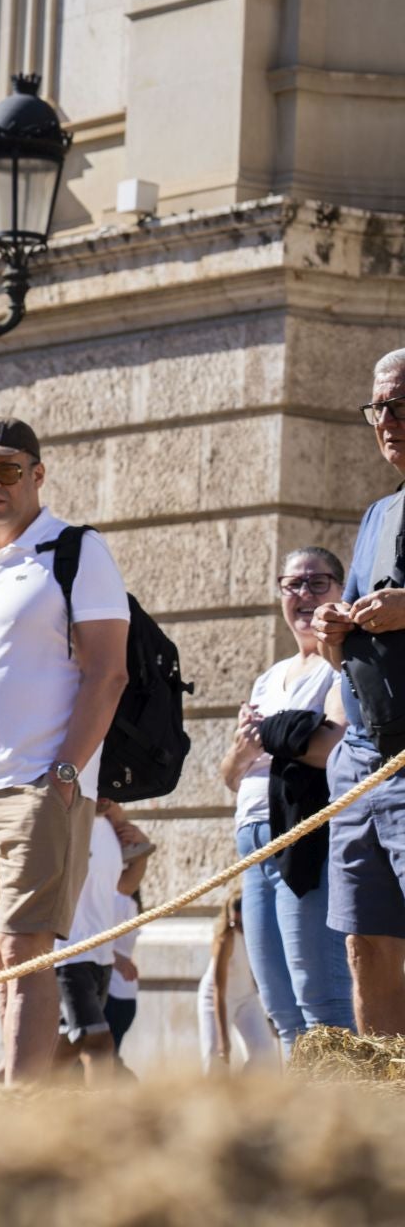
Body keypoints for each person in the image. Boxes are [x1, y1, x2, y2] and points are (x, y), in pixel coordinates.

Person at [0, 418, 131, 1084]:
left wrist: (68, 773)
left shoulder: (76, 551)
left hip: (39, 787)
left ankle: (20, 1107)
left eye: (7, 470)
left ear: (38, 474)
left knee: (26, 957)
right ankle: (7, 1093)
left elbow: (109, 671)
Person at [219, 546, 356, 1052]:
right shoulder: (268, 677)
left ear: (341, 591)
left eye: (318, 583)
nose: (303, 595)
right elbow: (233, 774)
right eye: (292, 584)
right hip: (252, 840)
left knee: (319, 995)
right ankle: (303, 1117)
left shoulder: (342, 667)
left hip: (307, 836)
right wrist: (243, 749)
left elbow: (336, 750)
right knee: (277, 1002)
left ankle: (341, 1116)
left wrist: (271, 734)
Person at [308, 353, 405, 1036]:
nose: (388, 422)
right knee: (364, 942)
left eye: (400, 404)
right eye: (379, 408)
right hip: (363, 763)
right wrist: (330, 628)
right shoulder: (377, 514)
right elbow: (343, 645)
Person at [52, 801, 150, 1087]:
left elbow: (123, 888)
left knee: (68, 1042)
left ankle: (28, 1096)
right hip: (70, 955)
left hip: (101, 958)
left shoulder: (109, 830)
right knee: (99, 1043)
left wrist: (141, 848)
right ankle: (101, 1118)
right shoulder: (69, 820)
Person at [199, 886, 279, 1074]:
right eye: (236, 924)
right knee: (215, 1060)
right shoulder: (226, 940)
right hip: (216, 999)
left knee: (264, 1053)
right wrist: (223, 1038)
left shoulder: (259, 935)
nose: (240, 929)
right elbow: (219, 990)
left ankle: (250, 1097)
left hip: (247, 998)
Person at [106, 891, 140, 1058]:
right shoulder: (126, 902)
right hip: (123, 993)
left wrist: (116, 959)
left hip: (113, 993)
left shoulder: (118, 899)